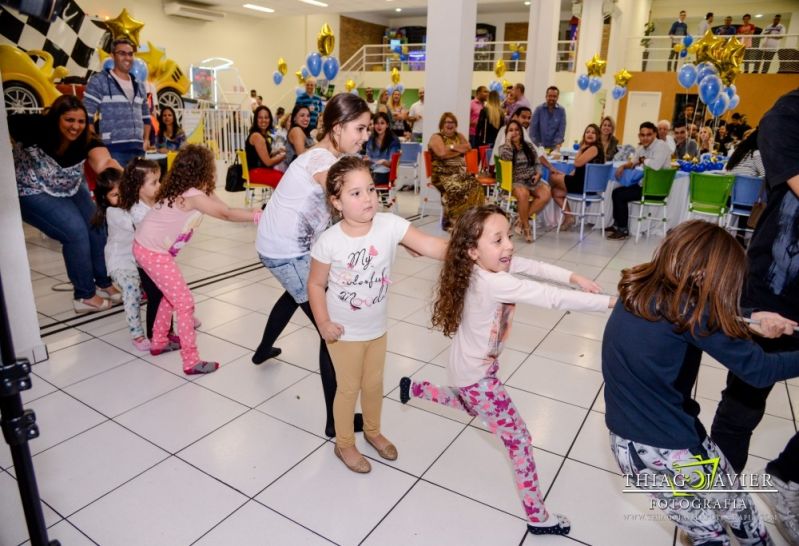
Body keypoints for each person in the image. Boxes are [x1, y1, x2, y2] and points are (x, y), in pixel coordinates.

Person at [400, 205, 614, 538]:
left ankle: (414, 389)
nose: (509, 246)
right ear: (473, 251)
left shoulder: (478, 265)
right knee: (519, 440)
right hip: (477, 376)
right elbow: (551, 298)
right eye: (498, 240)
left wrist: (575, 277)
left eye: (508, 237)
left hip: (466, 366)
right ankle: (538, 517)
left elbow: (535, 267)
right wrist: (613, 303)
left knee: (467, 405)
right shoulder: (492, 283)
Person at [602, 220, 799, 546]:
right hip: (669, 447)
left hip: (631, 447)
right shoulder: (692, 311)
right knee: (727, 521)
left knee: (721, 518)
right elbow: (759, 369)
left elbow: (700, 316)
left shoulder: (640, 287)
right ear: (708, 279)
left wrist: (751, 319)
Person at [308, 156, 447, 473]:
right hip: (343, 333)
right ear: (336, 202)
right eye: (355, 193)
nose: (368, 197)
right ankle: (344, 443)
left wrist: (470, 251)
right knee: (348, 389)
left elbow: (429, 245)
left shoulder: (390, 225)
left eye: (370, 188)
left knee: (373, 385)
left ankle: (372, 431)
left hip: (377, 329)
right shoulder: (329, 242)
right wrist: (323, 323)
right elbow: (315, 285)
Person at [252, 93, 371, 438]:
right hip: (286, 251)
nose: (364, 136)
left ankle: (262, 350)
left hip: (284, 246)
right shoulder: (321, 157)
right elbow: (337, 188)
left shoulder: (332, 155)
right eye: (359, 129)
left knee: (296, 294)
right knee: (330, 328)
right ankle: (337, 421)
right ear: (337, 128)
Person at [710, 89, 799, 545]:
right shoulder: (788, 114)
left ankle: (787, 477)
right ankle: (714, 501)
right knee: (743, 403)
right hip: (775, 287)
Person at [133, 145, 259, 375]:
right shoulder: (191, 195)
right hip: (152, 252)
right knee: (184, 302)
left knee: (170, 296)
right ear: (203, 170)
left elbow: (225, 208)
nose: (214, 173)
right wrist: (258, 216)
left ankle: (159, 342)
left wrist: (256, 211)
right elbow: (226, 214)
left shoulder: (193, 190)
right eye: (211, 168)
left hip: (149, 248)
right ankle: (190, 360)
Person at [11, 95, 122, 313]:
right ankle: (84, 296)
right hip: (32, 188)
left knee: (97, 224)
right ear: (56, 118)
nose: (75, 127)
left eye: (80, 121)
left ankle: (103, 281)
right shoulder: (34, 127)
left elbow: (104, 162)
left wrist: (127, 179)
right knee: (75, 232)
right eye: (69, 120)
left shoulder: (86, 140)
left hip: (70, 185)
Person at [118, 158, 179, 348]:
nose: (159, 185)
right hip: (148, 263)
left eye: (159, 180)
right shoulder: (137, 211)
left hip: (160, 258)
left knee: (166, 295)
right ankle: (156, 336)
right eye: (154, 182)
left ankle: (166, 331)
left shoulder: (154, 203)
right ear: (139, 186)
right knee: (157, 297)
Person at [91, 168, 149, 351]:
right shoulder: (113, 213)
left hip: (139, 259)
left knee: (160, 286)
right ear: (105, 199)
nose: (122, 197)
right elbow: (135, 225)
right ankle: (137, 335)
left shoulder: (136, 204)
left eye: (124, 191)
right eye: (115, 195)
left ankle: (183, 312)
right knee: (131, 290)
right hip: (120, 263)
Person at [84, 38, 151, 166]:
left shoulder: (139, 84)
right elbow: (87, 115)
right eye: (122, 53)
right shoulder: (100, 81)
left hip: (138, 150)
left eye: (130, 54)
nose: (127, 57)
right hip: (112, 150)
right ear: (112, 56)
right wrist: (95, 144)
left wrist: (146, 140)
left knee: (137, 186)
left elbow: (146, 116)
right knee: (116, 186)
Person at [607, 121, 672, 240]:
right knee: (616, 191)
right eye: (643, 135)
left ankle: (623, 229)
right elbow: (634, 161)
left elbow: (656, 166)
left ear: (654, 134)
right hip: (645, 186)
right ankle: (618, 225)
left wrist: (643, 160)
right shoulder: (642, 148)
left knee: (620, 195)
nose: (645, 138)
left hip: (657, 190)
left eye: (649, 134)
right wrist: (623, 166)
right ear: (639, 136)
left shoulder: (661, 146)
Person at [427, 112, 485, 230]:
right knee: (457, 187)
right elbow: (441, 153)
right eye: (447, 122)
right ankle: (452, 220)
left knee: (476, 185)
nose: (450, 125)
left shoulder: (459, 136)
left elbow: (468, 147)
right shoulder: (436, 137)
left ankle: (472, 219)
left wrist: (451, 148)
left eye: (452, 122)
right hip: (441, 174)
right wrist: (458, 149)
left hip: (458, 173)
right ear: (442, 124)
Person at [497, 120, 551, 242]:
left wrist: (538, 174)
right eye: (511, 130)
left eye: (516, 130)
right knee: (523, 194)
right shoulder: (504, 148)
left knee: (546, 193)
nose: (514, 132)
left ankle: (521, 220)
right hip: (516, 181)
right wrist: (508, 141)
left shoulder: (529, 146)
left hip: (531, 179)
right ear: (507, 133)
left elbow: (537, 162)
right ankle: (526, 228)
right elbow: (506, 157)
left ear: (521, 132)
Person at [549, 123, 605, 228]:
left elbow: (577, 163)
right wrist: (565, 176)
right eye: (587, 132)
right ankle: (569, 217)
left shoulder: (593, 148)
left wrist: (580, 149)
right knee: (555, 192)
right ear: (584, 135)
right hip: (582, 183)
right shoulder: (592, 148)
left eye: (593, 132)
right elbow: (578, 169)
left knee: (552, 176)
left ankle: (543, 197)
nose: (590, 134)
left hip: (584, 185)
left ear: (597, 136)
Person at [246, 105, 285, 187]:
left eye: (266, 117)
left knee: (284, 175)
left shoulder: (261, 134)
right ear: (256, 119)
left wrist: (277, 152)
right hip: (255, 173)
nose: (263, 120)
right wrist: (284, 156)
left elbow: (262, 157)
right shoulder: (257, 136)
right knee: (284, 178)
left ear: (270, 119)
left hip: (256, 171)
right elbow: (268, 162)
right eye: (260, 117)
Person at [364, 112, 400, 185]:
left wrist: (383, 162)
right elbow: (368, 158)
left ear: (387, 125)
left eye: (382, 123)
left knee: (366, 182)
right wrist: (366, 160)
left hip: (386, 173)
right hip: (373, 171)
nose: (379, 126)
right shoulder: (371, 139)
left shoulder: (393, 141)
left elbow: (392, 164)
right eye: (376, 123)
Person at [530, 86, 566, 151]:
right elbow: (533, 130)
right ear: (546, 96)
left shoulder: (561, 111)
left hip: (554, 148)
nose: (552, 98)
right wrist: (538, 146)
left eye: (554, 96)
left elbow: (561, 131)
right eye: (550, 96)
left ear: (558, 97)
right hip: (538, 147)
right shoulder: (538, 109)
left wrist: (556, 146)